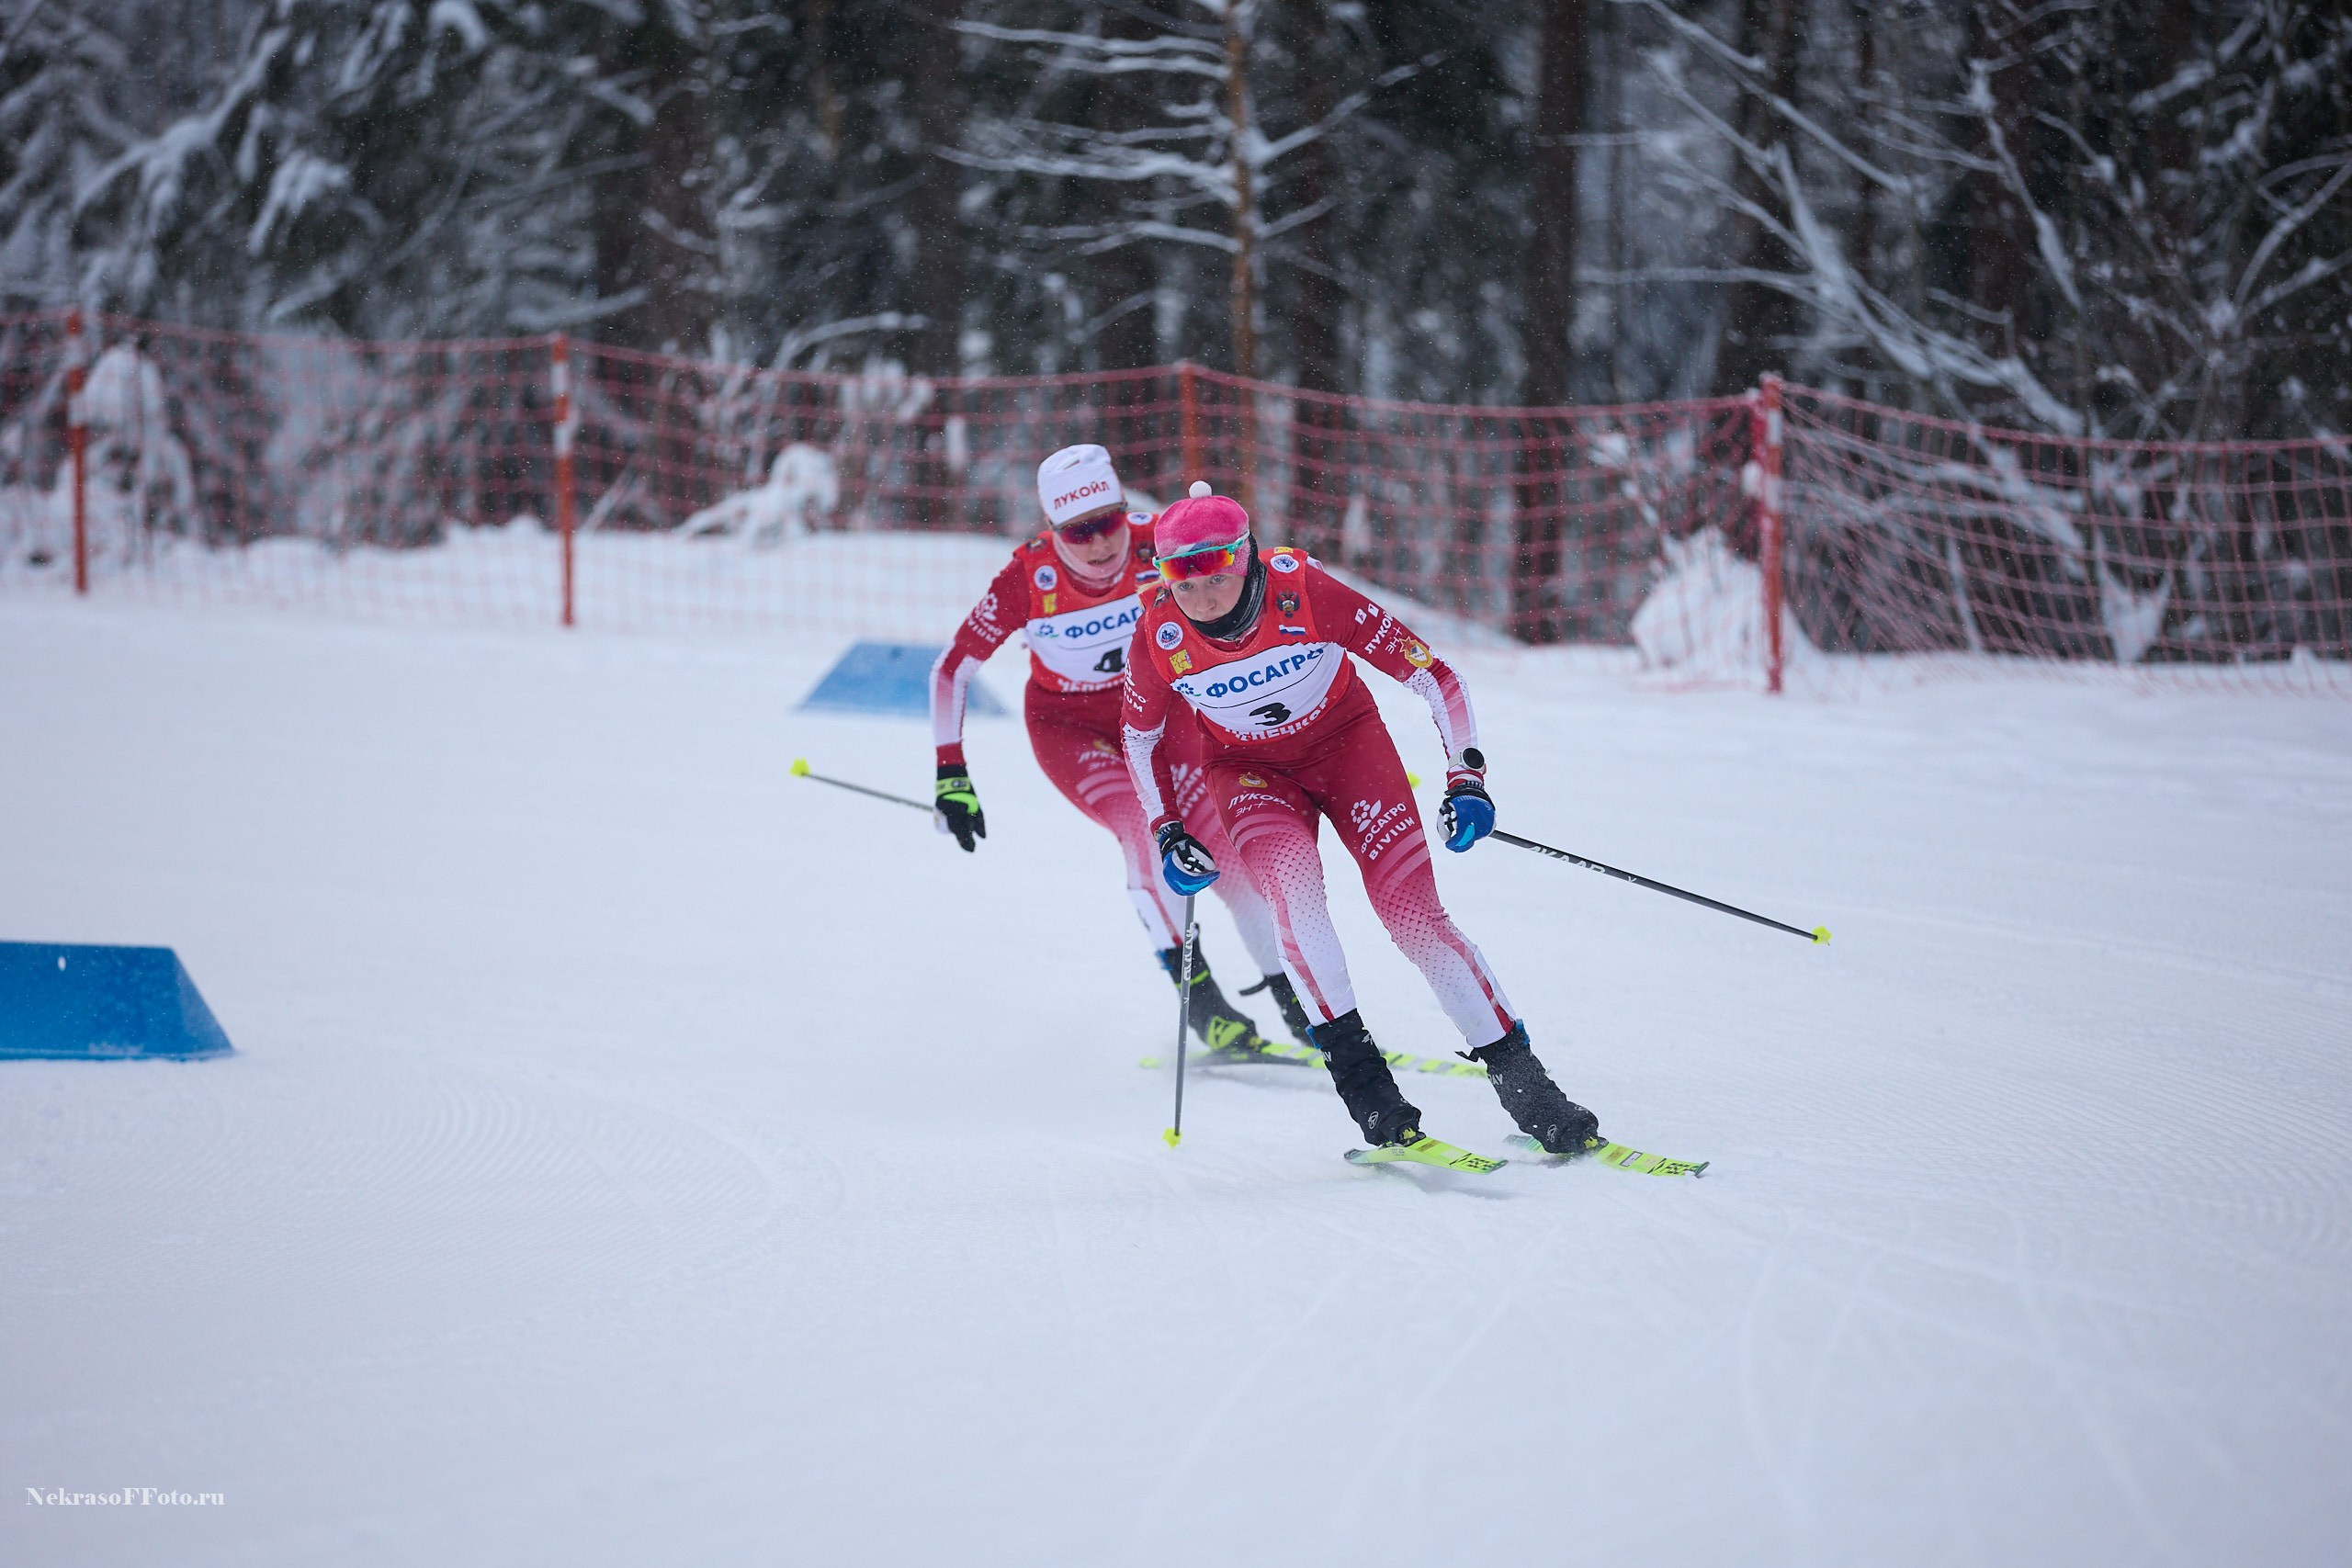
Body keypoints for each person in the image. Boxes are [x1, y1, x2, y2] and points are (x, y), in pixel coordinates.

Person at [1119, 482, 1600, 1154]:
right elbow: (1139, 739)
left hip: (1349, 749)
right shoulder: (1160, 631)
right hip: (1249, 775)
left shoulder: (1306, 591)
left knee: (1414, 916)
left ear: (1247, 555)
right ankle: (1367, 1089)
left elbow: (1435, 676)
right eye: (1181, 578)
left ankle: (1529, 1087)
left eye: (1217, 572)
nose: (1200, 596)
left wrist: (1467, 777)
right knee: (1299, 901)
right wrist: (1168, 829)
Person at [927, 445, 1315, 1055]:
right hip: (1070, 728)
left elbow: (1244, 579)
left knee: (1228, 855)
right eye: (1079, 530)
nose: (1101, 542)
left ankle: (1299, 1003)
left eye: (1110, 519)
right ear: (1052, 529)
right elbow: (952, 670)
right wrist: (952, 772)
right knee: (1144, 831)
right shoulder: (1028, 578)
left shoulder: (1157, 546)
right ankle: (1204, 1004)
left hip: (1160, 718)